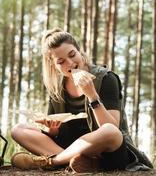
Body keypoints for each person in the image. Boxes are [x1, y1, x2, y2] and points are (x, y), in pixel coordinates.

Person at [10, 28, 153, 173]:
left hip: (108, 151)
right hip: (70, 147)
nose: (70, 63)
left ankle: (53, 161)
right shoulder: (57, 87)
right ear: (54, 65)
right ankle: (78, 161)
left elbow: (112, 127)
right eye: (61, 61)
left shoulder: (106, 79)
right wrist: (53, 131)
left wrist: (92, 95)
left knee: (110, 131)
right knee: (18, 130)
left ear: (80, 51)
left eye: (72, 55)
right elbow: (53, 131)